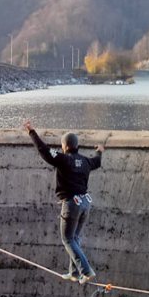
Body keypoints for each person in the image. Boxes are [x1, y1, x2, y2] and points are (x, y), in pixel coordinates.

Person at [23, 120, 104, 285]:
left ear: (65, 146)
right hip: (85, 203)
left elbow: (44, 150)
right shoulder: (86, 161)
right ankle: (74, 272)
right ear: (76, 146)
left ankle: (86, 271)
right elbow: (97, 161)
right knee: (74, 237)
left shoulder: (63, 159)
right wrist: (100, 151)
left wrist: (32, 132)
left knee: (67, 239)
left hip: (72, 204)